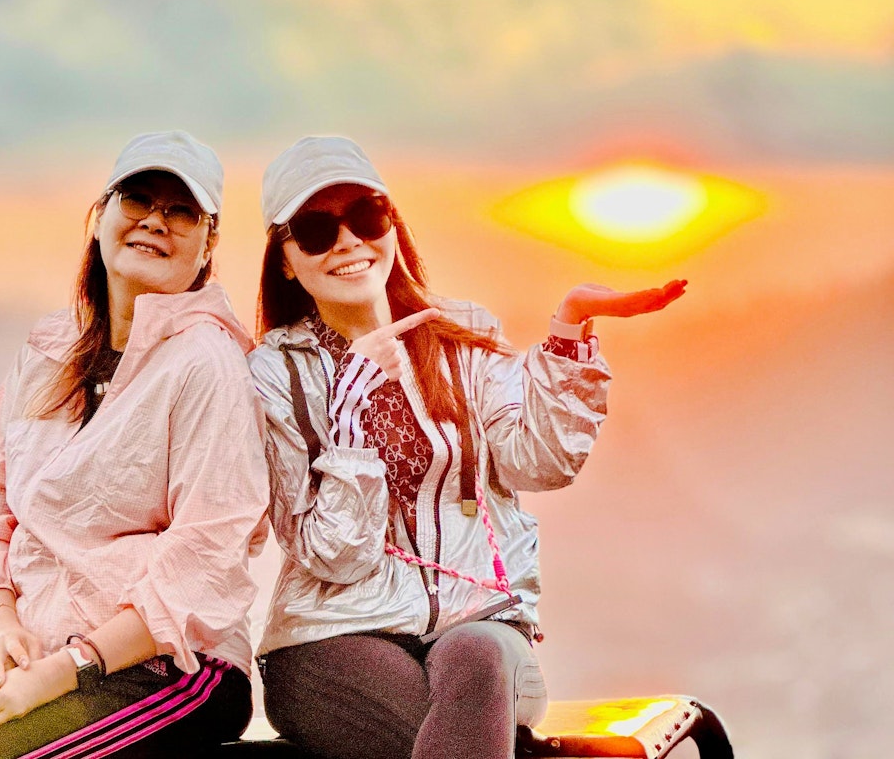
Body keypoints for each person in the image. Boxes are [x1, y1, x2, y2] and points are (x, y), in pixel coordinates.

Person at [249, 136, 687, 759]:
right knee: (467, 730)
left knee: (477, 663)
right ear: (287, 260)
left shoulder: (461, 335)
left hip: (480, 624)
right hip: (329, 639)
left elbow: (539, 462)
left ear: (392, 229)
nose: (347, 242)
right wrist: (349, 416)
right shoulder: (273, 373)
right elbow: (331, 558)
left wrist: (565, 336)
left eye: (366, 217)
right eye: (316, 230)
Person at [0, 131, 270, 759]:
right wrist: (1, 627)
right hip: (40, 650)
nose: (156, 221)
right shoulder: (49, 352)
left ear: (208, 241)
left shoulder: (206, 362)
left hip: (165, 668)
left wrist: (66, 669)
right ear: (101, 214)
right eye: (138, 198)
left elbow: (208, 553)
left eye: (182, 210)